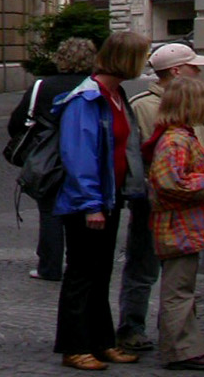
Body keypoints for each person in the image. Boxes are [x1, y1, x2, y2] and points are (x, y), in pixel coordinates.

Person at [52, 29, 151, 371]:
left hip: (110, 198)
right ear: (127, 59)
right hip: (87, 203)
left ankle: (101, 341)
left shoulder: (117, 95)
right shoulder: (88, 98)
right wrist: (91, 204)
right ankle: (74, 346)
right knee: (81, 274)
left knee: (100, 272)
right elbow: (79, 156)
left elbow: (125, 147)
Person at [116, 42, 204, 352]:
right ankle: (133, 326)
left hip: (188, 201)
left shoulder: (189, 102)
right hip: (156, 197)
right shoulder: (144, 105)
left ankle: (175, 331)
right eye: (193, 66)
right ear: (175, 70)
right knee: (143, 264)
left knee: (180, 272)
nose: (198, 71)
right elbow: (140, 154)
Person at [145, 75, 204, 371]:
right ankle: (180, 350)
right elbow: (170, 183)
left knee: (183, 288)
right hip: (177, 228)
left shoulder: (180, 136)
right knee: (178, 290)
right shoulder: (175, 140)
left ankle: (188, 343)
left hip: (184, 227)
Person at [8, 37, 99, 281]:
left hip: (48, 159)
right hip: (87, 157)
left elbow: (16, 123)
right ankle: (81, 264)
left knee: (50, 212)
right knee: (84, 210)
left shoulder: (42, 87)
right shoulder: (94, 86)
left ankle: (49, 266)